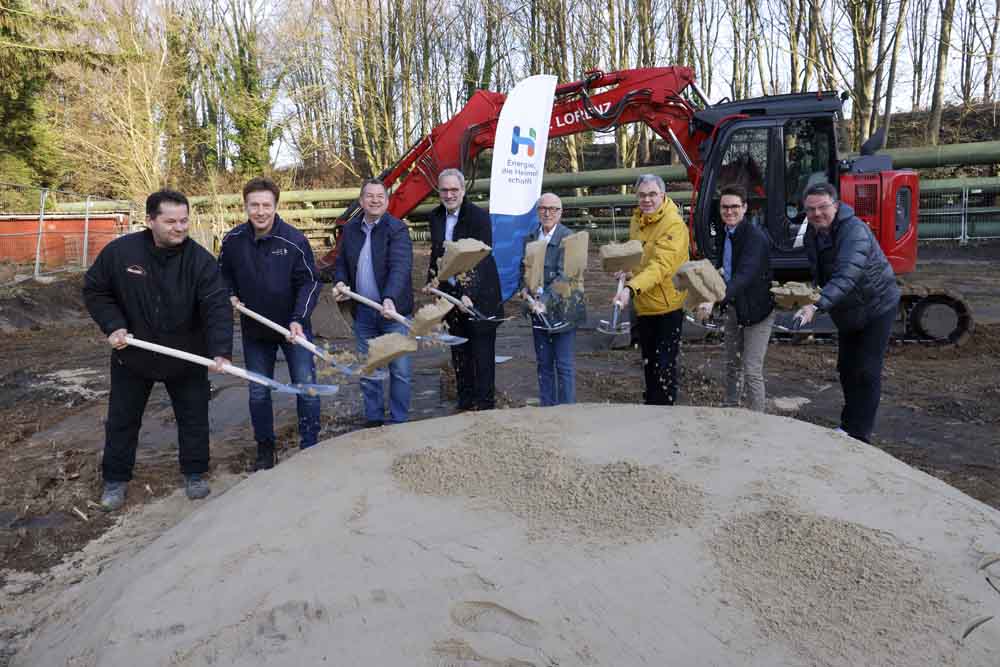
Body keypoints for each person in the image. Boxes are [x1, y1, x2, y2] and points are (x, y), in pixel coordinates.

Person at [83, 189, 232, 511]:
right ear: (150, 220)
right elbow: (96, 290)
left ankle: (194, 472)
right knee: (122, 419)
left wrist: (220, 351)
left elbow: (217, 307)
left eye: (184, 220)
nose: (179, 228)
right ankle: (116, 478)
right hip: (134, 354)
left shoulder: (200, 261)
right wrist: (113, 325)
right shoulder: (121, 254)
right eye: (170, 222)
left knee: (193, 417)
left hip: (186, 355)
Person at [218, 177, 320, 470]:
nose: (260, 211)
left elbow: (309, 283)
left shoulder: (294, 240)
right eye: (254, 205)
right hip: (255, 331)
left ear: (276, 206)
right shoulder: (233, 240)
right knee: (258, 391)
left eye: (266, 205)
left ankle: (310, 443)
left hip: (293, 329)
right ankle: (265, 447)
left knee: (306, 387)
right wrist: (230, 294)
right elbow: (222, 275)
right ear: (245, 206)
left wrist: (299, 319)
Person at [794, 182, 900, 443]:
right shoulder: (813, 233)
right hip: (848, 308)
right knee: (847, 367)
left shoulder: (854, 231)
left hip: (876, 306)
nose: (817, 213)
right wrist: (806, 292)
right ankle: (848, 425)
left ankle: (860, 434)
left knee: (866, 369)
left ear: (836, 205)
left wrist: (817, 305)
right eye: (810, 209)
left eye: (822, 207)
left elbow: (847, 274)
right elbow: (820, 272)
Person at [332, 178, 413, 426]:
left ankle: (399, 421)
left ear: (387, 201)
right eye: (370, 196)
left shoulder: (396, 229)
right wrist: (341, 283)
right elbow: (341, 264)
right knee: (369, 369)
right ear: (361, 200)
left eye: (380, 196)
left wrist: (389, 298)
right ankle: (374, 420)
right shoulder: (351, 230)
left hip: (393, 312)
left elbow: (400, 267)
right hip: (364, 313)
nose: (375, 200)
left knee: (400, 370)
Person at [426, 168, 503, 411]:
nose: (449, 195)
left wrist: (469, 292)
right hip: (450, 294)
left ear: (463, 190)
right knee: (459, 351)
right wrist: (433, 280)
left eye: (454, 190)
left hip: (479, 294)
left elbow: (480, 257)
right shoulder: (435, 217)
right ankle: (465, 402)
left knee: (481, 354)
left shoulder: (478, 217)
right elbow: (437, 253)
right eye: (444, 190)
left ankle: (484, 405)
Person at [613, 174, 689, 406]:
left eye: (652, 194)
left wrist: (629, 289)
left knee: (664, 366)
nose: (647, 200)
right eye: (642, 195)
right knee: (648, 362)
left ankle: (665, 412)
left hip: (667, 306)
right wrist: (626, 270)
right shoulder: (637, 220)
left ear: (663, 196)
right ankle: (652, 409)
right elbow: (639, 258)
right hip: (643, 304)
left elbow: (660, 267)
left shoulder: (674, 225)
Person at [697, 184, 775, 412]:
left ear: (745, 208)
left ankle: (757, 419)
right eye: (724, 207)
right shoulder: (725, 232)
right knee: (732, 364)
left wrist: (713, 299)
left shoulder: (755, 238)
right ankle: (730, 408)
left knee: (751, 369)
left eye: (734, 207)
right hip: (734, 309)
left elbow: (743, 276)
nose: (729, 212)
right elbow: (724, 268)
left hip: (758, 312)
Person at [520, 192, 585, 406]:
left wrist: (544, 300)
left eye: (553, 209)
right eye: (543, 208)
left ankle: (567, 411)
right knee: (543, 363)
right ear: (538, 211)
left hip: (563, 310)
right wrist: (525, 291)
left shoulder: (571, 239)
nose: (547, 213)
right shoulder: (530, 238)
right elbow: (526, 270)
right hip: (537, 311)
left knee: (563, 365)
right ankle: (547, 410)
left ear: (561, 212)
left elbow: (566, 276)